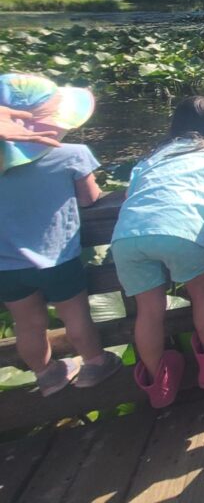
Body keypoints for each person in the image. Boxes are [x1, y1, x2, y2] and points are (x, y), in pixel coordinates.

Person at [110, 96, 204, 408]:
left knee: (148, 311)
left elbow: (131, 193)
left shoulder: (152, 157)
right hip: (180, 231)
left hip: (126, 237)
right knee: (202, 294)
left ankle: (158, 386)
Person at [0, 74, 121, 396]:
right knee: (76, 315)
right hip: (57, 256)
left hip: (7, 263)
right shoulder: (71, 153)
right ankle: (94, 363)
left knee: (28, 325)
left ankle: (47, 374)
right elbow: (90, 198)